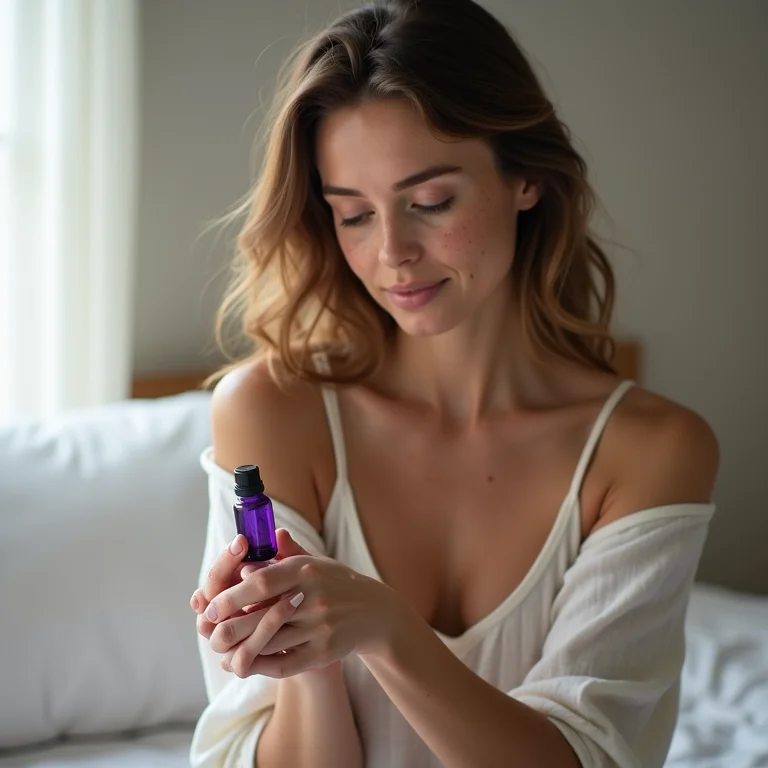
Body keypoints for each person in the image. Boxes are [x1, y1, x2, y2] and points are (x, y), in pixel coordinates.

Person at [187, 1, 719, 766]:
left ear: (527, 178)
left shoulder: (648, 453)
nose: (393, 252)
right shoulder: (274, 413)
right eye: (353, 215)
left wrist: (388, 631)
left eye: (430, 202)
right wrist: (304, 657)